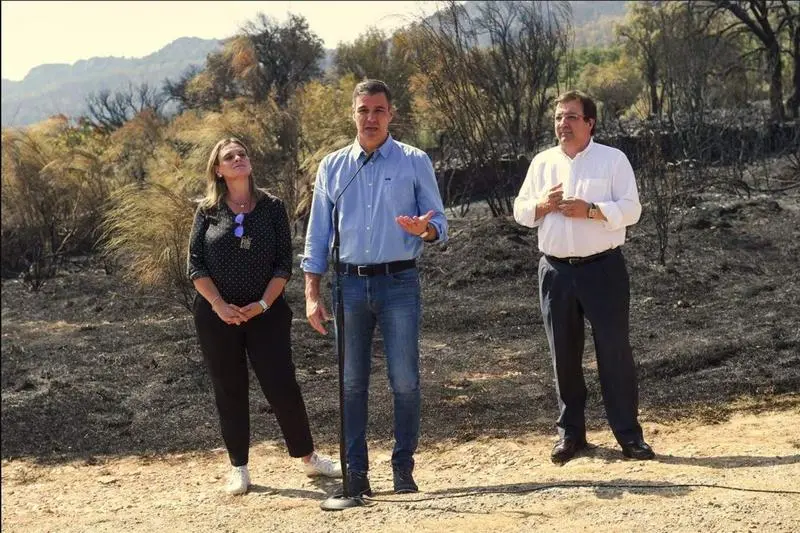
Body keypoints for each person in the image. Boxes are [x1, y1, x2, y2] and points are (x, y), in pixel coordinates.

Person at [301, 80, 448, 496]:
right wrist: (312, 293)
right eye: (363, 110)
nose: (371, 118)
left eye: (379, 110)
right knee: (351, 384)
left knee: (405, 380)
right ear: (353, 113)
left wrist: (427, 230)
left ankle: (403, 468)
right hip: (348, 286)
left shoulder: (414, 161)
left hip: (399, 282)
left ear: (391, 114)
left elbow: (440, 225)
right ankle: (357, 475)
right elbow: (317, 235)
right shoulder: (332, 167)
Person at [187, 137, 342, 495]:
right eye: (230, 156)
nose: (239, 159)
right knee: (230, 389)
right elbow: (195, 265)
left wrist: (262, 305)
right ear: (218, 169)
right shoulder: (207, 211)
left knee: (281, 385)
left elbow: (281, 264)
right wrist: (219, 305)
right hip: (217, 316)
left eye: (242, 154)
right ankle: (239, 467)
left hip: (266, 313)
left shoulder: (272, 207)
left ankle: (309, 459)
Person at [513, 90, 655, 465]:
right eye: (559, 117)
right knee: (563, 356)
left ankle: (628, 435)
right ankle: (570, 435)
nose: (563, 124)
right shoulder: (542, 163)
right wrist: (543, 205)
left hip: (603, 269)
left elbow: (632, 210)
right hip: (556, 271)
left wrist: (590, 211)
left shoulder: (613, 159)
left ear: (590, 123)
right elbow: (520, 211)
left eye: (572, 117)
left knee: (614, 353)